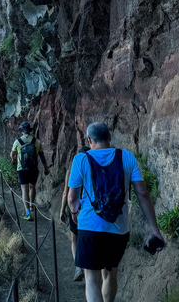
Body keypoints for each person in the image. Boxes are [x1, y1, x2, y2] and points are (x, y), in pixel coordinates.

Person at [68, 122, 164, 302]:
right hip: (118, 230)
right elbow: (142, 193)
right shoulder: (127, 157)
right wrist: (154, 229)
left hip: (90, 228)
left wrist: (74, 213)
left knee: (91, 279)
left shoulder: (81, 159)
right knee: (110, 275)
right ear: (109, 137)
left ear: (89, 140)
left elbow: (72, 197)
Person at [60, 144, 90, 282]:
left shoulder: (71, 171)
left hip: (75, 208)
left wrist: (62, 211)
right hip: (89, 209)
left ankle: (78, 267)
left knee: (74, 239)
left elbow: (66, 193)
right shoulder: (93, 169)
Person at [10, 121, 50, 220]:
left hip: (22, 169)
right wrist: (45, 167)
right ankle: (32, 205)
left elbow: (12, 154)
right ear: (29, 131)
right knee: (32, 187)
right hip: (33, 168)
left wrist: (14, 159)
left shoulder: (17, 141)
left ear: (22, 131)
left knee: (24, 189)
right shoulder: (37, 142)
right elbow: (42, 156)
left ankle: (27, 213)